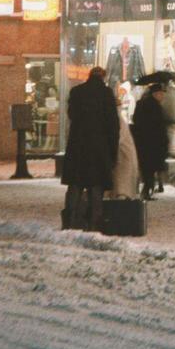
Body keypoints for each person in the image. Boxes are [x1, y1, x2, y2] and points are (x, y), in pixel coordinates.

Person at [61, 65, 119, 229]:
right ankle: (95, 223)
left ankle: (69, 221)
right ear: (103, 77)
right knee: (96, 187)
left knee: (75, 185)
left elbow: (72, 115)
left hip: (78, 146)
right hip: (99, 148)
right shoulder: (106, 94)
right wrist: (113, 153)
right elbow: (113, 126)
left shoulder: (77, 92)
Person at [131, 83, 170, 201]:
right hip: (153, 143)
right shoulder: (156, 107)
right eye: (162, 94)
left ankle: (146, 191)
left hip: (142, 142)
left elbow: (135, 120)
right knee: (150, 168)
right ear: (156, 94)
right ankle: (146, 191)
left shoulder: (141, 104)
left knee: (146, 168)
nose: (163, 96)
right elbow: (160, 126)